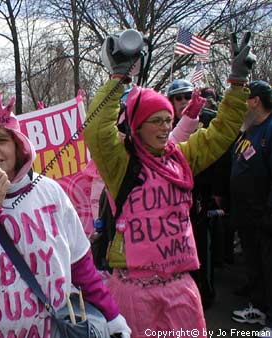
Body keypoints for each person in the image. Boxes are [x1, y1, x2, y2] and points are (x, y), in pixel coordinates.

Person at [84, 30, 255, 336]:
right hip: (132, 292)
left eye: (167, 119)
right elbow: (97, 129)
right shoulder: (120, 165)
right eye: (156, 121)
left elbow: (221, 132)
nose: (165, 127)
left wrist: (238, 82)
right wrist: (119, 76)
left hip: (180, 289)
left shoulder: (182, 158)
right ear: (137, 126)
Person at [0, 92, 131, 338]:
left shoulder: (50, 191)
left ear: (18, 147)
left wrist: (112, 318)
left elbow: (81, 268)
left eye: (1, 140)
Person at [230, 80, 272, 335]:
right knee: (255, 263)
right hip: (247, 215)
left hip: (265, 216)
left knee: (269, 266)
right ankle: (259, 307)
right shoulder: (249, 130)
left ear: (255, 100)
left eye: (245, 100)